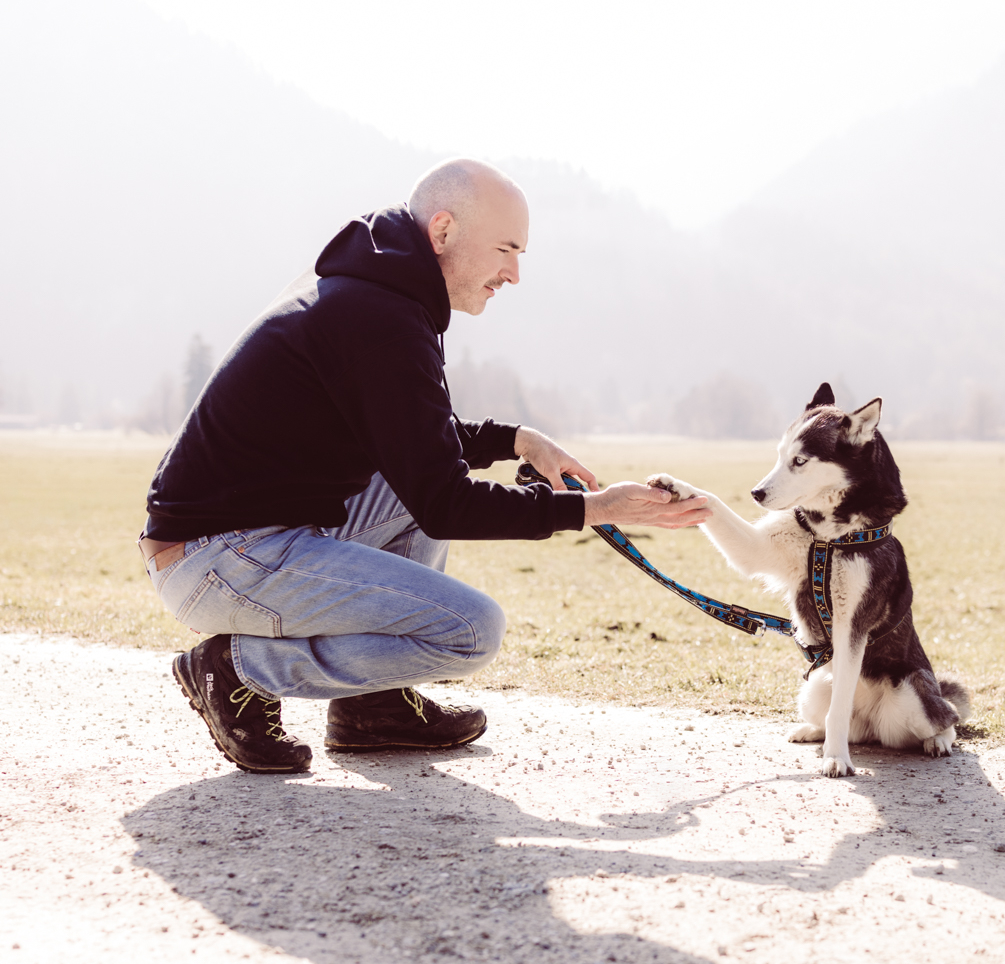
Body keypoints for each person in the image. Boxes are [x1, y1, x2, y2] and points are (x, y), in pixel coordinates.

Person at [138, 158, 710, 774]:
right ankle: (238, 672)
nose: (514, 274)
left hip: (249, 537)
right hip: (214, 557)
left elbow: (417, 446)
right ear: (443, 232)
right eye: (506, 250)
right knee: (471, 630)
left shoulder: (379, 292)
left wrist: (520, 441)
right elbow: (443, 499)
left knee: (406, 493)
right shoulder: (378, 315)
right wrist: (593, 508)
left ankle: (372, 708)